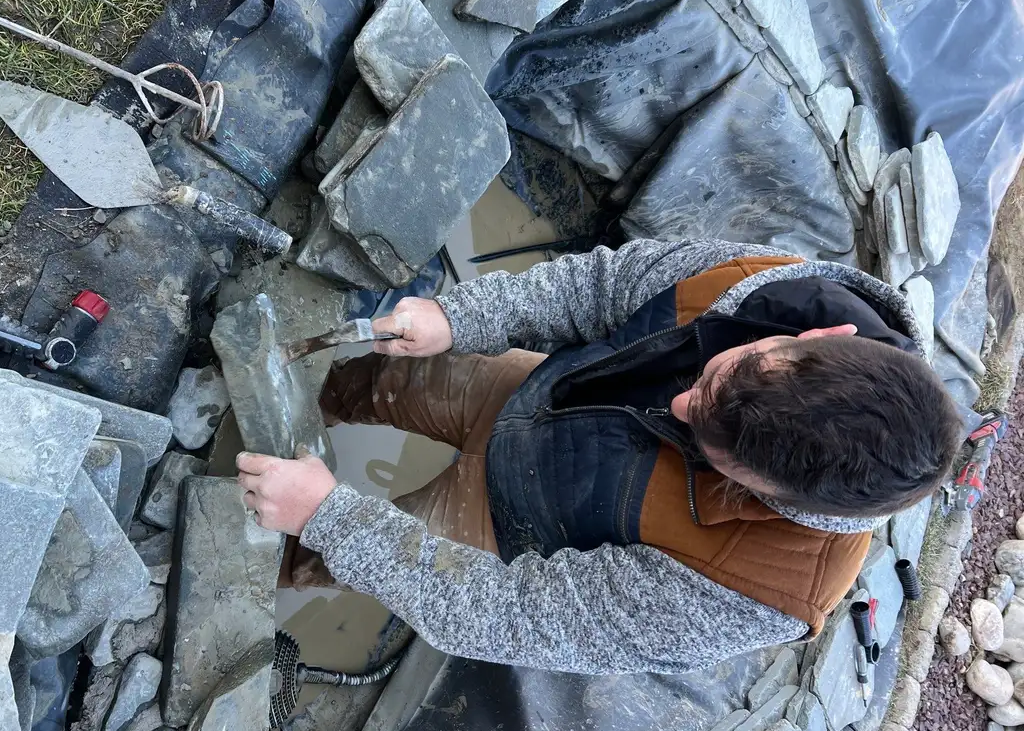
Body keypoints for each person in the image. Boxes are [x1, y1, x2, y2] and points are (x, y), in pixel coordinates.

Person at [236, 240, 963, 675]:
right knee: (371, 375)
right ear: (823, 337)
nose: (680, 407)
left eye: (714, 450)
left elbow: (500, 615)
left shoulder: (762, 592)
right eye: (712, 377)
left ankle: (253, 533)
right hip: (532, 391)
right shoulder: (771, 287)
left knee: (315, 549)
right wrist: (461, 318)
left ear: (782, 497)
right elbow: (600, 287)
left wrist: (332, 520)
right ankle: (286, 409)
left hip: (504, 538)